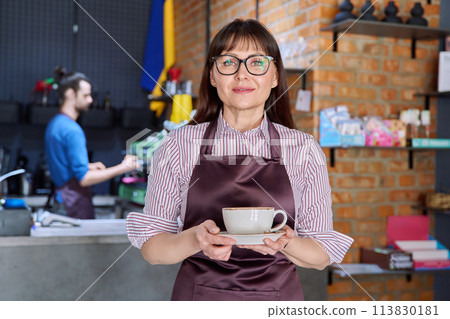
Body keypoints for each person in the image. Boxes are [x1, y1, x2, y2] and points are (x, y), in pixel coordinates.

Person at [127, 19, 353, 301]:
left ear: (274, 77)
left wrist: (287, 242)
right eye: (229, 63)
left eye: (256, 63)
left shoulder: (303, 149)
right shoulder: (179, 145)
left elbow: (320, 256)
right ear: (213, 75)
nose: (242, 75)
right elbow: (152, 250)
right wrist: (194, 238)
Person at [45, 68, 140, 219]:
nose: (90, 100)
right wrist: (124, 167)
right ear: (70, 94)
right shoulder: (72, 130)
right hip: (73, 205)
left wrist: (87, 166)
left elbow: (62, 162)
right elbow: (84, 179)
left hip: (61, 199)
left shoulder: (56, 123)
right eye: (86, 95)